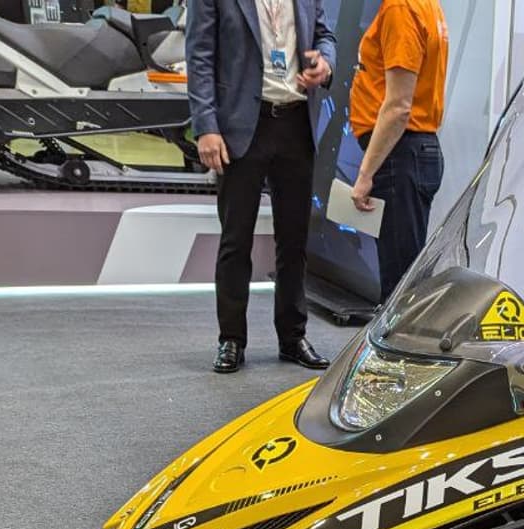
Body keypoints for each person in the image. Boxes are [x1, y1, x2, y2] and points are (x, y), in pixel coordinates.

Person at [187, 0, 335, 374]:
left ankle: (293, 336)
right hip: (241, 127)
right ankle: (231, 339)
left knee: (294, 239)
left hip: (296, 125)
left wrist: (325, 64)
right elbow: (200, 56)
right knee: (236, 240)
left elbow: (324, 35)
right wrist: (205, 126)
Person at [348, 0, 449, 303]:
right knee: (404, 278)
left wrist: (365, 174)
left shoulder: (400, 8)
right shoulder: (425, 5)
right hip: (410, 152)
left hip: (400, 155)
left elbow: (398, 107)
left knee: (398, 289)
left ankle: (397, 335)